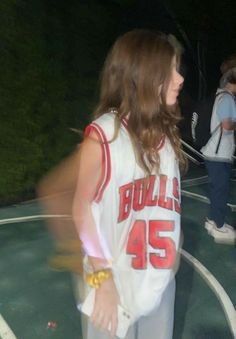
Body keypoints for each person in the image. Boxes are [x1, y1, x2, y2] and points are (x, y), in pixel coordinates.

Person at [72, 29, 185, 339]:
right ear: (144, 76)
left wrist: (173, 255)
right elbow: (81, 211)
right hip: (111, 282)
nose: (179, 78)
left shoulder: (165, 136)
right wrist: (103, 281)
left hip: (156, 281)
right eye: (170, 71)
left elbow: (167, 211)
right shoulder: (104, 136)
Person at [201, 65, 236, 244]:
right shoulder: (228, 98)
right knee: (220, 190)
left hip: (215, 152)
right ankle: (219, 226)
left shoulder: (220, 96)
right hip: (219, 153)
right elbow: (227, 125)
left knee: (217, 189)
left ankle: (213, 221)